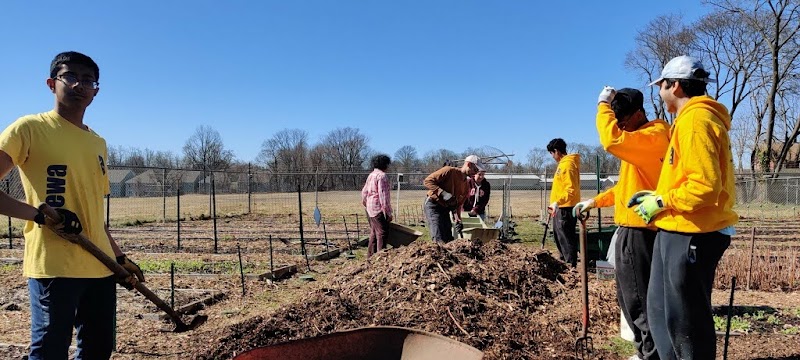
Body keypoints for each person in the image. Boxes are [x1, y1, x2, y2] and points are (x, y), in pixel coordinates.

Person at [0, 51, 144, 360]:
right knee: (50, 351)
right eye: (71, 77)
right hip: (54, 266)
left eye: (88, 80)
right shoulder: (30, 129)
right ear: (52, 84)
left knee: (97, 350)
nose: (80, 84)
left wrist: (119, 257)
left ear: (96, 91)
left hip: (99, 267)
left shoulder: (98, 143)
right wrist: (39, 216)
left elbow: (96, 216)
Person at [628, 55, 738, 360]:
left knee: (685, 320)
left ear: (674, 86)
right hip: (678, 226)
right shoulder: (689, 121)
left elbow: (704, 185)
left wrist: (662, 201)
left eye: (662, 86)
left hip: (693, 231)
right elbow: (689, 177)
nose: (660, 93)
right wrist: (659, 193)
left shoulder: (695, 121)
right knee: (664, 313)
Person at [574, 87, 669, 360]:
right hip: (631, 228)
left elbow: (610, 141)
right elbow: (626, 189)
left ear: (639, 113)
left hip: (642, 231)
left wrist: (602, 105)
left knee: (640, 299)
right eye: (618, 123)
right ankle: (645, 351)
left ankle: (651, 355)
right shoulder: (638, 143)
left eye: (624, 121)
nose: (621, 127)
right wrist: (595, 202)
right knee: (629, 298)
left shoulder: (653, 136)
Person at [423, 155, 484, 243]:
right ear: (469, 164)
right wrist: (443, 194)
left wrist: (458, 219)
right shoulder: (449, 171)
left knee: (448, 239)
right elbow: (428, 181)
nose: (475, 173)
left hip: (445, 208)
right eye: (475, 170)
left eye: (477, 171)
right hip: (433, 205)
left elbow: (457, 205)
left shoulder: (466, 186)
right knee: (438, 237)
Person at [547, 138, 580, 267]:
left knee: (566, 237)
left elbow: (571, 189)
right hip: (559, 207)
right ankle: (564, 261)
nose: (552, 156)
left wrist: (558, 201)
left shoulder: (568, 165)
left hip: (566, 207)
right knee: (559, 236)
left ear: (556, 151)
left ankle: (570, 264)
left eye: (551, 153)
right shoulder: (562, 165)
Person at [361, 154, 393, 258]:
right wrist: (388, 213)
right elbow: (383, 196)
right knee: (382, 233)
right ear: (385, 165)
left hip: (370, 207)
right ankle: (380, 257)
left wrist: (365, 202)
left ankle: (370, 256)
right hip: (377, 208)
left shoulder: (371, 175)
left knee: (374, 232)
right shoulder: (382, 176)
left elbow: (364, 191)